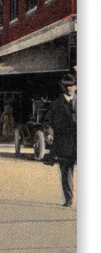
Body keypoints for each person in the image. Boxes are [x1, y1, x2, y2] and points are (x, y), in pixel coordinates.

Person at [43, 74, 77, 207]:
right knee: (66, 172)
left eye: (71, 86)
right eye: (66, 86)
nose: (69, 88)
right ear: (62, 87)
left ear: (76, 87)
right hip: (64, 143)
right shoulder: (56, 104)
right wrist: (48, 133)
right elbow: (47, 121)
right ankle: (69, 199)